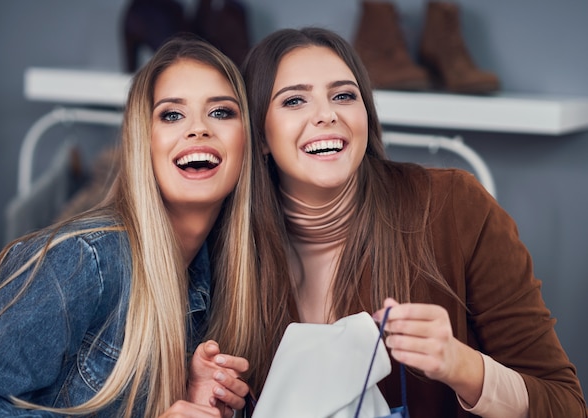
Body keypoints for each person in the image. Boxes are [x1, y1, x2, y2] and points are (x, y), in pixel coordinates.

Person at [241, 27, 587, 417]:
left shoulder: (455, 208)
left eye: (343, 95)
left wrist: (463, 367)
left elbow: (565, 405)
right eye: (294, 101)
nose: (326, 114)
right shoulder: (232, 245)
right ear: (262, 135)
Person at [0, 34, 259, 418]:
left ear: (246, 140)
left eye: (221, 112)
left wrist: (185, 393)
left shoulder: (214, 284)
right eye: (171, 114)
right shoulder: (79, 262)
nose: (199, 128)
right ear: (142, 142)